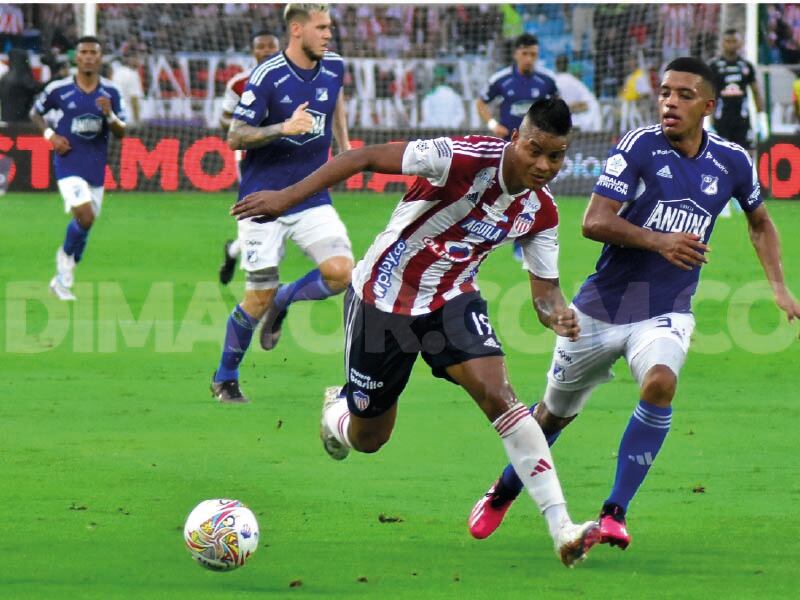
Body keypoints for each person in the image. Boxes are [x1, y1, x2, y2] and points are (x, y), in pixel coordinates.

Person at [232, 98, 602, 568]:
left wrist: (559, 315)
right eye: (536, 150)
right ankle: (337, 413)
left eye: (557, 156)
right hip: (382, 298)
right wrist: (286, 198)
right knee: (369, 439)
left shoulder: (541, 212)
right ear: (515, 139)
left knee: (501, 396)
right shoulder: (460, 158)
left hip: (450, 301)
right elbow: (360, 158)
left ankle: (562, 528)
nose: (545, 165)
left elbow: (545, 293)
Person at [467, 57, 800, 549]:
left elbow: (760, 222)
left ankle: (614, 512)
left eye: (684, 95)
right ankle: (504, 490)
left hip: (666, 309)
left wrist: (779, 286)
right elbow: (593, 221)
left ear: (708, 105)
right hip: (601, 309)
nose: (670, 101)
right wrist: (660, 240)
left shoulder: (732, 160)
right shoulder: (638, 146)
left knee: (661, 384)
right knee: (552, 417)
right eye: (665, 92)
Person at [211, 4, 353, 403]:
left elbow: (335, 99)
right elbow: (235, 136)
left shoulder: (335, 65)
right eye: (321, 28)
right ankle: (225, 378)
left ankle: (286, 300)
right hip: (263, 201)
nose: (329, 34)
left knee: (343, 273)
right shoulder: (267, 76)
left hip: (310, 194)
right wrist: (283, 128)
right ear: (297, 30)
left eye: (330, 27)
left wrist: (344, 147)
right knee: (258, 296)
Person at [30, 36, 126, 301]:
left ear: (100, 57)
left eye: (93, 52)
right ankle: (63, 260)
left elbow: (122, 132)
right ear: (76, 57)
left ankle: (63, 274)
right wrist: (50, 135)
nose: (88, 57)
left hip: (95, 167)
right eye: (83, 52)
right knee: (84, 216)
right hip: (68, 162)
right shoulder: (58, 89)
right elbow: (35, 113)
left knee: (85, 225)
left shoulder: (112, 92)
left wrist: (109, 115)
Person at [218, 30, 281, 286]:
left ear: (279, 49)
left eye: (270, 46)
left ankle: (234, 250)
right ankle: (260, 275)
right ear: (253, 51)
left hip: (286, 155)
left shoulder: (294, 79)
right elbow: (223, 117)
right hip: (250, 156)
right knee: (258, 213)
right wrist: (238, 128)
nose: (266, 50)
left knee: (280, 215)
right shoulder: (239, 83)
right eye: (261, 46)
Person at [476, 33, 558, 141]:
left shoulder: (548, 80)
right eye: (524, 54)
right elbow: (480, 103)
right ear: (515, 54)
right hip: (509, 141)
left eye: (533, 54)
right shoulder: (500, 79)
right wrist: (493, 125)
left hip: (537, 143)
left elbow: (558, 106)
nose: (529, 59)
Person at [708, 29, 766, 149]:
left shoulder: (746, 66)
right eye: (728, 41)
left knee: (747, 156)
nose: (731, 44)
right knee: (721, 159)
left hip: (742, 121)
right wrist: (708, 121)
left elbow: (756, 92)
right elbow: (707, 94)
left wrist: (761, 118)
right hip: (721, 121)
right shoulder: (714, 66)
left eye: (734, 41)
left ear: (740, 43)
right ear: (722, 43)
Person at [552, 54, 601, 133]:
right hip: (585, 123)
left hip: (578, 122)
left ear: (555, 65)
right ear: (567, 66)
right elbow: (590, 103)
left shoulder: (553, 81)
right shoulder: (576, 82)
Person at [0, 48, 41, 122]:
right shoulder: (22, 77)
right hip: (21, 121)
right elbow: (36, 88)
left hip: (6, 118)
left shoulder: (5, 78)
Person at [110, 51, 144, 126]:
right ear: (132, 60)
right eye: (138, 58)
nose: (140, 62)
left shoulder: (117, 73)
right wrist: (137, 121)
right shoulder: (132, 75)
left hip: (116, 116)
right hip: (129, 119)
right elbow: (134, 99)